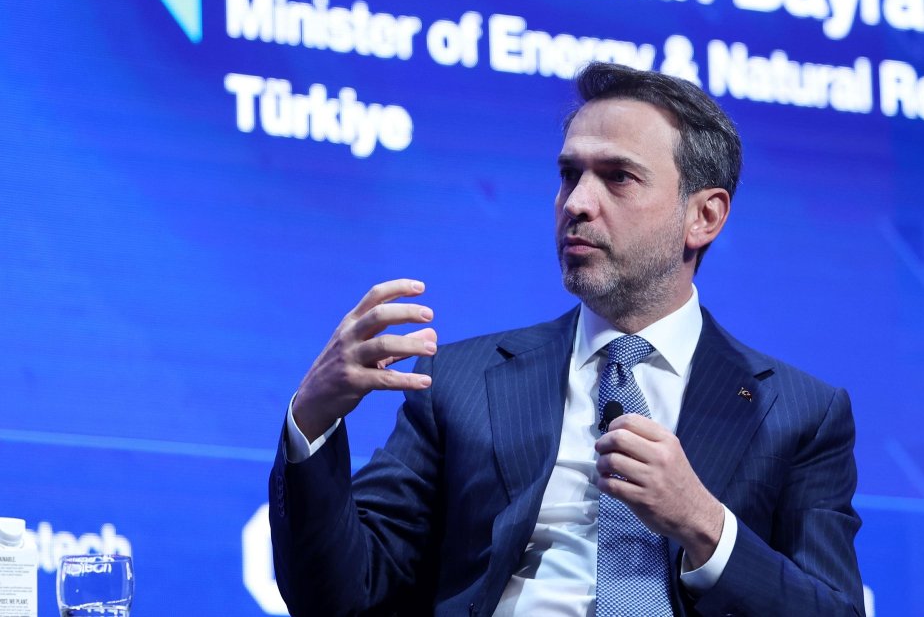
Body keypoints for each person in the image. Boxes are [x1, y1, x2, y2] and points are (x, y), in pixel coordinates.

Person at [269, 62, 864, 616]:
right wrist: (314, 417)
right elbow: (341, 597)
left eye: (618, 178)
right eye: (569, 175)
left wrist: (703, 522)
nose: (577, 203)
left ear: (703, 217)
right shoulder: (461, 385)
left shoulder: (798, 413)